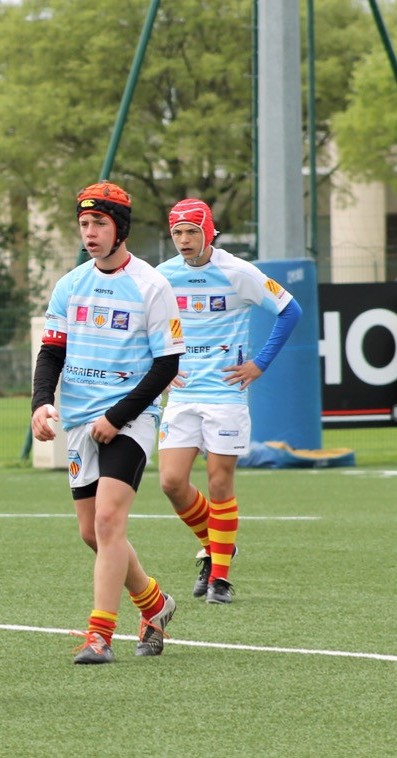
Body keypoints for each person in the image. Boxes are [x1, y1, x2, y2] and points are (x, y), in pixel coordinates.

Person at [31, 181, 185, 665]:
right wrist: (40, 403)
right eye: (84, 223)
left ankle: (99, 635)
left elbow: (167, 365)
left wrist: (117, 418)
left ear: (120, 228)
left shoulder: (151, 285)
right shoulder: (70, 284)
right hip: (78, 419)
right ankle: (155, 604)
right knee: (92, 534)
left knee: (108, 519)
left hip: (131, 418)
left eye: (99, 223)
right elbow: (51, 351)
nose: (90, 232)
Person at [156, 198, 303, 604]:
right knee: (171, 483)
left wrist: (259, 364)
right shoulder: (162, 276)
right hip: (182, 393)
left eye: (191, 232)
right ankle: (218, 545)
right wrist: (160, 370)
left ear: (209, 232)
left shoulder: (238, 272)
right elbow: (143, 325)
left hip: (225, 393)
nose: (184, 241)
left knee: (219, 483)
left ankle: (219, 577)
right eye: (177, 233)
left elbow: (290, 311)